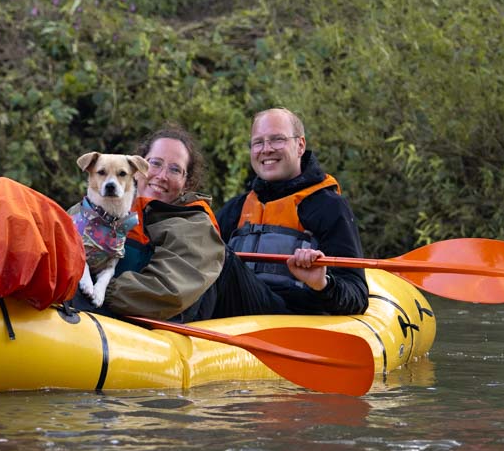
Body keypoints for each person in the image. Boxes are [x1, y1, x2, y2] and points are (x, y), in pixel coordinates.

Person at [214, 106, 368, 316]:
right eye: (258, 142)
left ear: (300, 145)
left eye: (277, 139)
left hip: (292, 317)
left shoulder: (329, 207)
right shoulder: (236, 208)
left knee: (222, 258)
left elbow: (357, 295)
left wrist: (322, 282)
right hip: (237, 315)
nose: (266, 149)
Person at [97, 125, 227, 322]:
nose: (162, 175)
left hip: (144, 328)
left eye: (175, 170)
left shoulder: (195, 224)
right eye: (155, 163)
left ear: (187, 182)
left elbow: (167, 291)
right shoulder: (101, 203)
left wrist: (97, 289)